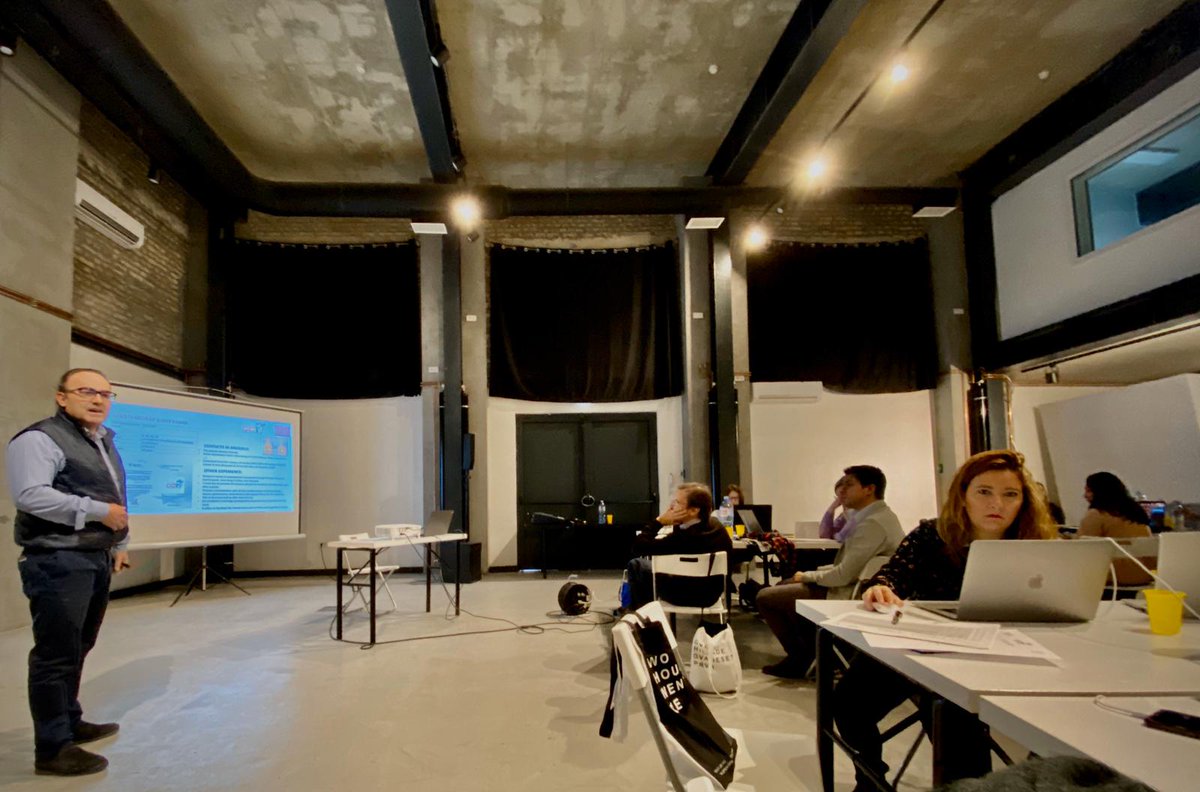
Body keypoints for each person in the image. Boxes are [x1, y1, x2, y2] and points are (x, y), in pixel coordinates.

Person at [834, 450, 1057, 790]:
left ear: (1023, 501)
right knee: (849, 702)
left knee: (952, 712)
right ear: (963, 495)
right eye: (984, 492)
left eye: (1010, 494)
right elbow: (890, 576)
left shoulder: (1037, 544)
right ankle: (871, 779)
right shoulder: (932, 535)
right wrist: (880, 588)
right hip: (924, 648)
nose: (996, 503)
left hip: (1006, 654)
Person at [6, 369, 132, 776]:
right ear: (62, 397)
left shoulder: (102, 441)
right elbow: (30, 495)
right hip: (57, 559)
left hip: (93, 557)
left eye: (105, 394)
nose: (97, 400)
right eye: (87, 391)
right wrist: (97, 512)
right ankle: (52, 747)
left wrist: (119, 543)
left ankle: (70, 720)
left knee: (79, 646)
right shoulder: (39, 439)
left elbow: (115, 497)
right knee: (55, 654)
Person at [756, 465, 903, 678]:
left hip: (849, 592)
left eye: (849, 485)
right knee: (785, 586)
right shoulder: (873, 517)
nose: (842, 490)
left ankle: (802, 658)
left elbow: (843, 575)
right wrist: (808, 574)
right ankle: (814, 654)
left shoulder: (873, 524)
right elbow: (844, 563)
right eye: (841, 485)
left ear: (869, 489)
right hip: (850, 584)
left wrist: (806, 576)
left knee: (766, 597)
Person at [626, 483, 732, 610]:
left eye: (677, 502)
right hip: (711, 595)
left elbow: (638, 546)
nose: (672, 507)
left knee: (637, 564)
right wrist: (678, 524)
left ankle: (643, 614)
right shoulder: (717, 527)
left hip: (683, 595)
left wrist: (659, 522)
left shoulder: (682, 539)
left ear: (694, 510)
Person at [1077, 471, 1153, 586]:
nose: (1085, 495)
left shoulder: (1096, 514)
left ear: (1100, 492)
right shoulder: (1136, 512)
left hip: (1115, 579)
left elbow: (1081, 549)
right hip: (1146, 576)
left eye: (1088, 491)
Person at [819, 475, 858, 541]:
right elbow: (824, 535)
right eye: (838, 497)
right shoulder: (843, 516)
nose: (841, 501)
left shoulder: (863, 514)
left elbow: (842, 537)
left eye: (843, 497)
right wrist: (832, 507)